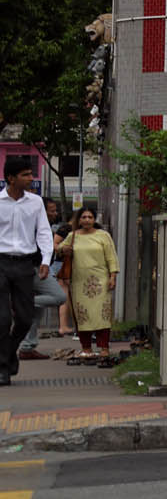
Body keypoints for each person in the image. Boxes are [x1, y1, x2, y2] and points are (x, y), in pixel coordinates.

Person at [0, 161, 55, 385]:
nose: (31, 178)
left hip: (24, 264)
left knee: (24, 318)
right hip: (0, 262)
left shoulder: (35, 203)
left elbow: (43, 231)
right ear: (11, 178)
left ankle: (8, 353)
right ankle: (3, 370)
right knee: (2, 319)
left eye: (31, 174)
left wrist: (45, 259)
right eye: (25, 174)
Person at [57, 206, 117, 361]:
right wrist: (64, 250)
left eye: (90, 217)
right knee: (82, 315)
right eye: (83, 217)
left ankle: (104, 347)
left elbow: (111, 257)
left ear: (94, 219)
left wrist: (112, 276)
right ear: (79, 220)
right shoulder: (73, 235)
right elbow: (59, 249)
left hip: (100, 280)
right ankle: (86, 348)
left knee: (102, 314)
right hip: (79, 282)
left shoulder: (103, 236)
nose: (87, 220)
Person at [17, 197, 68, 360]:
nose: (55, 213)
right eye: (52, 210)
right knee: (59, 296)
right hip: (34, 270)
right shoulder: (31, 227)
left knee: (35, 313)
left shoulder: (46, 228)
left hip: (38, 269)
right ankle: (23, 303)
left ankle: (27, 347)